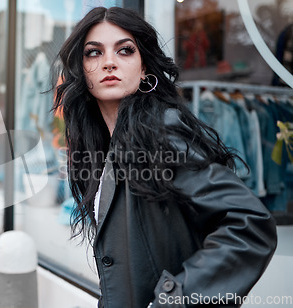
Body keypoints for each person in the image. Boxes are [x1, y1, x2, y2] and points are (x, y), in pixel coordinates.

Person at [51, 7, 277, 308]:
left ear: (144, 68)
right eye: (93, 53)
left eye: (125, 51)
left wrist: (173, 300)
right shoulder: (108, 143)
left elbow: (249, 224)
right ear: (82, 70)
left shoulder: (161, 130)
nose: (108, 62)